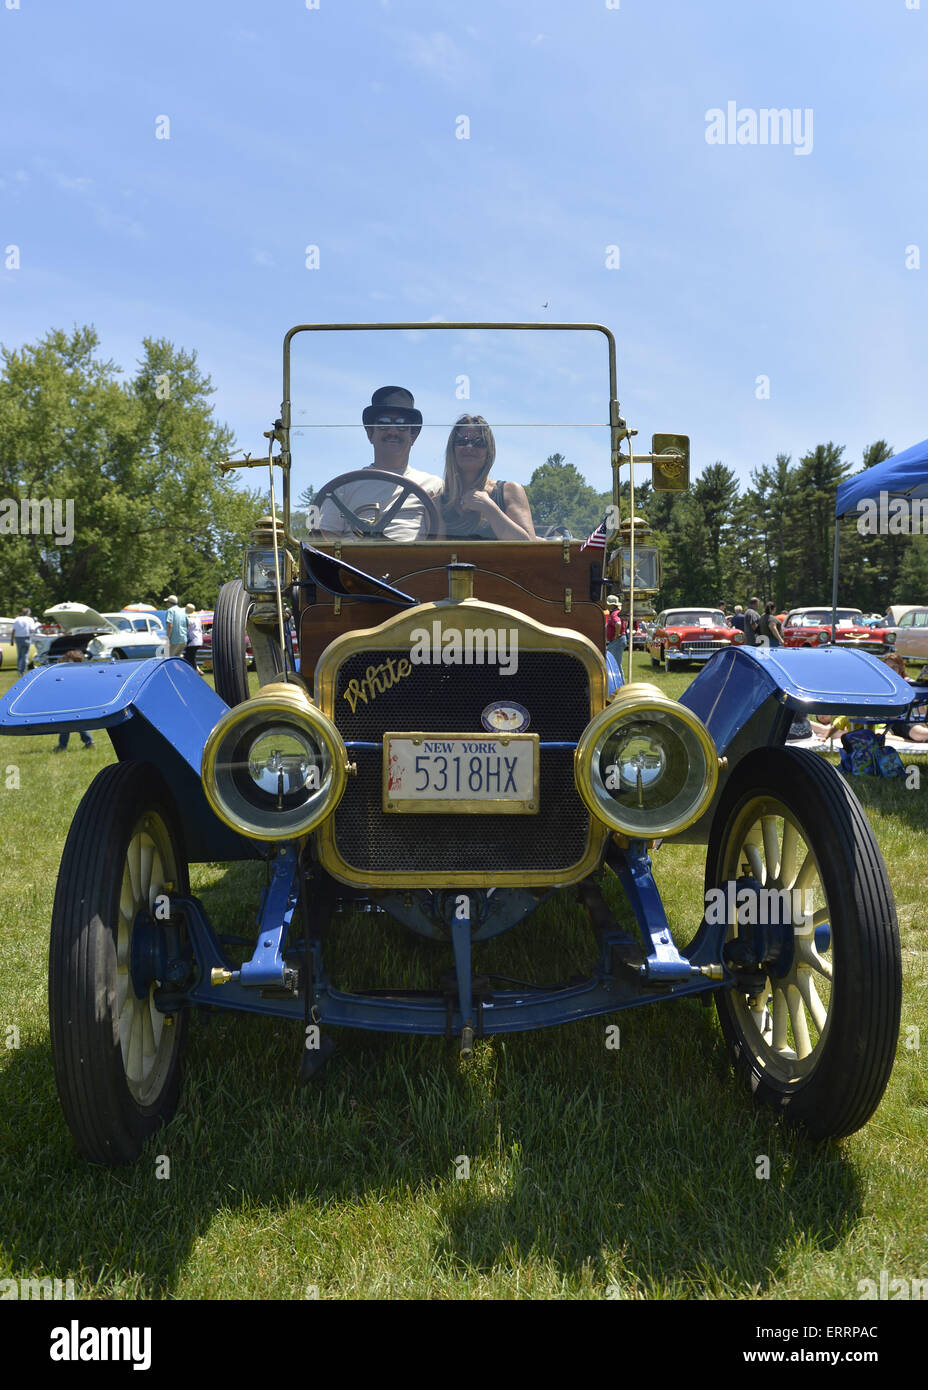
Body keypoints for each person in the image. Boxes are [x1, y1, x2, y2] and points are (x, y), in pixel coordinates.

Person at [316, 386, 443, 541]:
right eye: (384, 423)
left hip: (415, 565)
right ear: (370, 434)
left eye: (402, 424)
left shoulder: (434, 486)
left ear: (413, 436)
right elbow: (324, 540)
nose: (393, 431)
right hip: (353, 564)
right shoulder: (342, 487)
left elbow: (440, 545)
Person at [440, 415, 535, 541]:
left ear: (489, 452)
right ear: (452, 450)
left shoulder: (510, 492)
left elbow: (531, 547)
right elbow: (435, 554)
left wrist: (489, 508)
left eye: (479, 442)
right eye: (462, 441)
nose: (469, 447)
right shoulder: (439, 502)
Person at [52, 649, 95, 750]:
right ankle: (89, 742)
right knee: (75, 724)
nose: (65, 663)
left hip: (72, 702)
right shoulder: (71, 672)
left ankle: (62, 746)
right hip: (70, 702)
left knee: (66, 724)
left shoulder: (76, 673)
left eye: (68, 661)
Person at [12, 607, 38, 675]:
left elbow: (13, 630)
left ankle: (19, 670)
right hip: (26, 638)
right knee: (25, 655)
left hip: (18, 638)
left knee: (20, 655)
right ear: (28, 613)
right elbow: (31, 630)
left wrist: (11, 640)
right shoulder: (30, 619)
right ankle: (23, 670)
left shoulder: (17, 619)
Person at [604, 594, 626, 663]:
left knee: (615, 663)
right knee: (614, 662)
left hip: (617, 641)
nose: (606, 605)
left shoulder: (614, 613)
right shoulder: (616, 612)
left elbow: (618, 623)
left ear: (612, 605)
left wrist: (616, 635)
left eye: (607, 603)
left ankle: (618, 674)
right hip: (618, 640)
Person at [184, 604, 203, 669]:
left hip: (192, 641)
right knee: (191, 656)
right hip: (199, 640)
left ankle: (195, 670)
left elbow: (186, 631)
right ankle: (197, 669)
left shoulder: (189, 620)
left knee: (189, 657)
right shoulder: (198, 619)